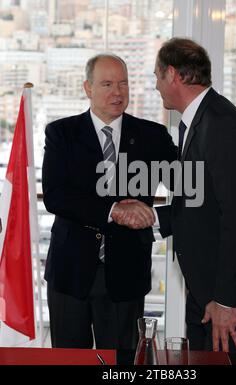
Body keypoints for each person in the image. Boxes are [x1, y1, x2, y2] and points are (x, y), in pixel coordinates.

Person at [113, 38, 236, 353]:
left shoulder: (221, 126)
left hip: (233, 294)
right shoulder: (200, 120)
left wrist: (225, 300)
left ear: (173, 74)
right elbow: (202, 203)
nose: (156, 86)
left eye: (157, 76)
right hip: (211, 288)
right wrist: (152, 215)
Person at [42, 53, 177, 349]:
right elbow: (55, 195)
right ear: (87, 88)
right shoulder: (61, 133)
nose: (118, 92)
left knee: (122, 364)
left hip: (126, 271)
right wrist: (113, 210)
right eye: (107, 84)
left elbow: (188, 187)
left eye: (123, 83)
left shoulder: (152, 135)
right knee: (68, 359)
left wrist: (158, 216)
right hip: (70, 270)